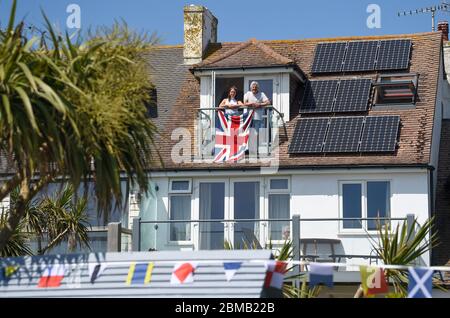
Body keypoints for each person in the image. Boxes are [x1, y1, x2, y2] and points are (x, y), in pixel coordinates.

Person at [243, 81, 271, 153]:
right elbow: (245, 103)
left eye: (255, 87)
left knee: (256, 133)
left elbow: (268, 102)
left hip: (257, 117)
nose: (254, 88)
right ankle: (248, 149)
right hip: (249, 117)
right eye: (253, 87)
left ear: (257, 88)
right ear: (251, 88)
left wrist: (260, 104)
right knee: (248, 133)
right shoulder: (248, 94)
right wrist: (252, 103)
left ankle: (256, 149)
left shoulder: (261, 94)